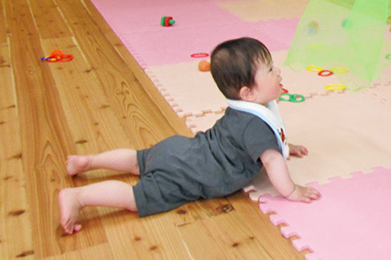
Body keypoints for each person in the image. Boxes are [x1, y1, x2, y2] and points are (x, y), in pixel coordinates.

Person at [58, 37, 320, 235]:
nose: (279, 72)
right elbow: (272, 162)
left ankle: (89, 162)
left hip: (179, 149)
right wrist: (292, 191)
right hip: (189, 173)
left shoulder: (249, 110)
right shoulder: (256, 124)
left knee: (138, 159)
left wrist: (287, 145)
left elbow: (268, 140)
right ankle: (79, 197)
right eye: (271, 70)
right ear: (247, 93)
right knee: (136, 198)